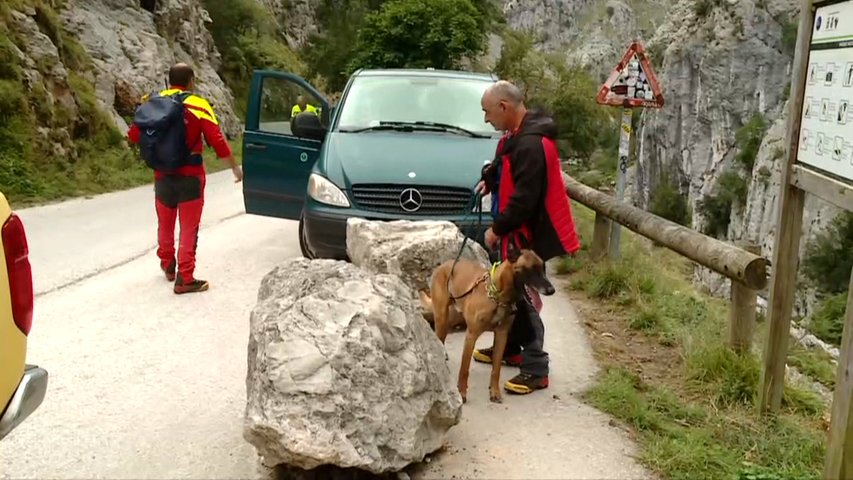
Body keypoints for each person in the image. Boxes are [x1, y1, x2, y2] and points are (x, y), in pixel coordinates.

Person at [473, 80, 581, 395]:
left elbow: (524, 198)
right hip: (518, 233)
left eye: (487, 112)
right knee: (509, 292)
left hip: (528, 237)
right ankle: (510, 350)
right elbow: (506, 163)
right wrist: (490, 180)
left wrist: (497, 229)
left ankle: (535, 369)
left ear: (504, 107)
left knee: (524, 299)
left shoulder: (532, 144)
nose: (486, 120)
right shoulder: (520, 135)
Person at [128, 63, 243, 294]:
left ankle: (168, 265)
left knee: (165, 222)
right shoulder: (198, 104)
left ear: (170, 81)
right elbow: (217, 140)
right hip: (190, 175)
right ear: (191, 80)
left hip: (162, 174)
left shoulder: (153, 103)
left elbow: (133, 135)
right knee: (189, 227)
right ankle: (186, 277)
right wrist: (234, 169)